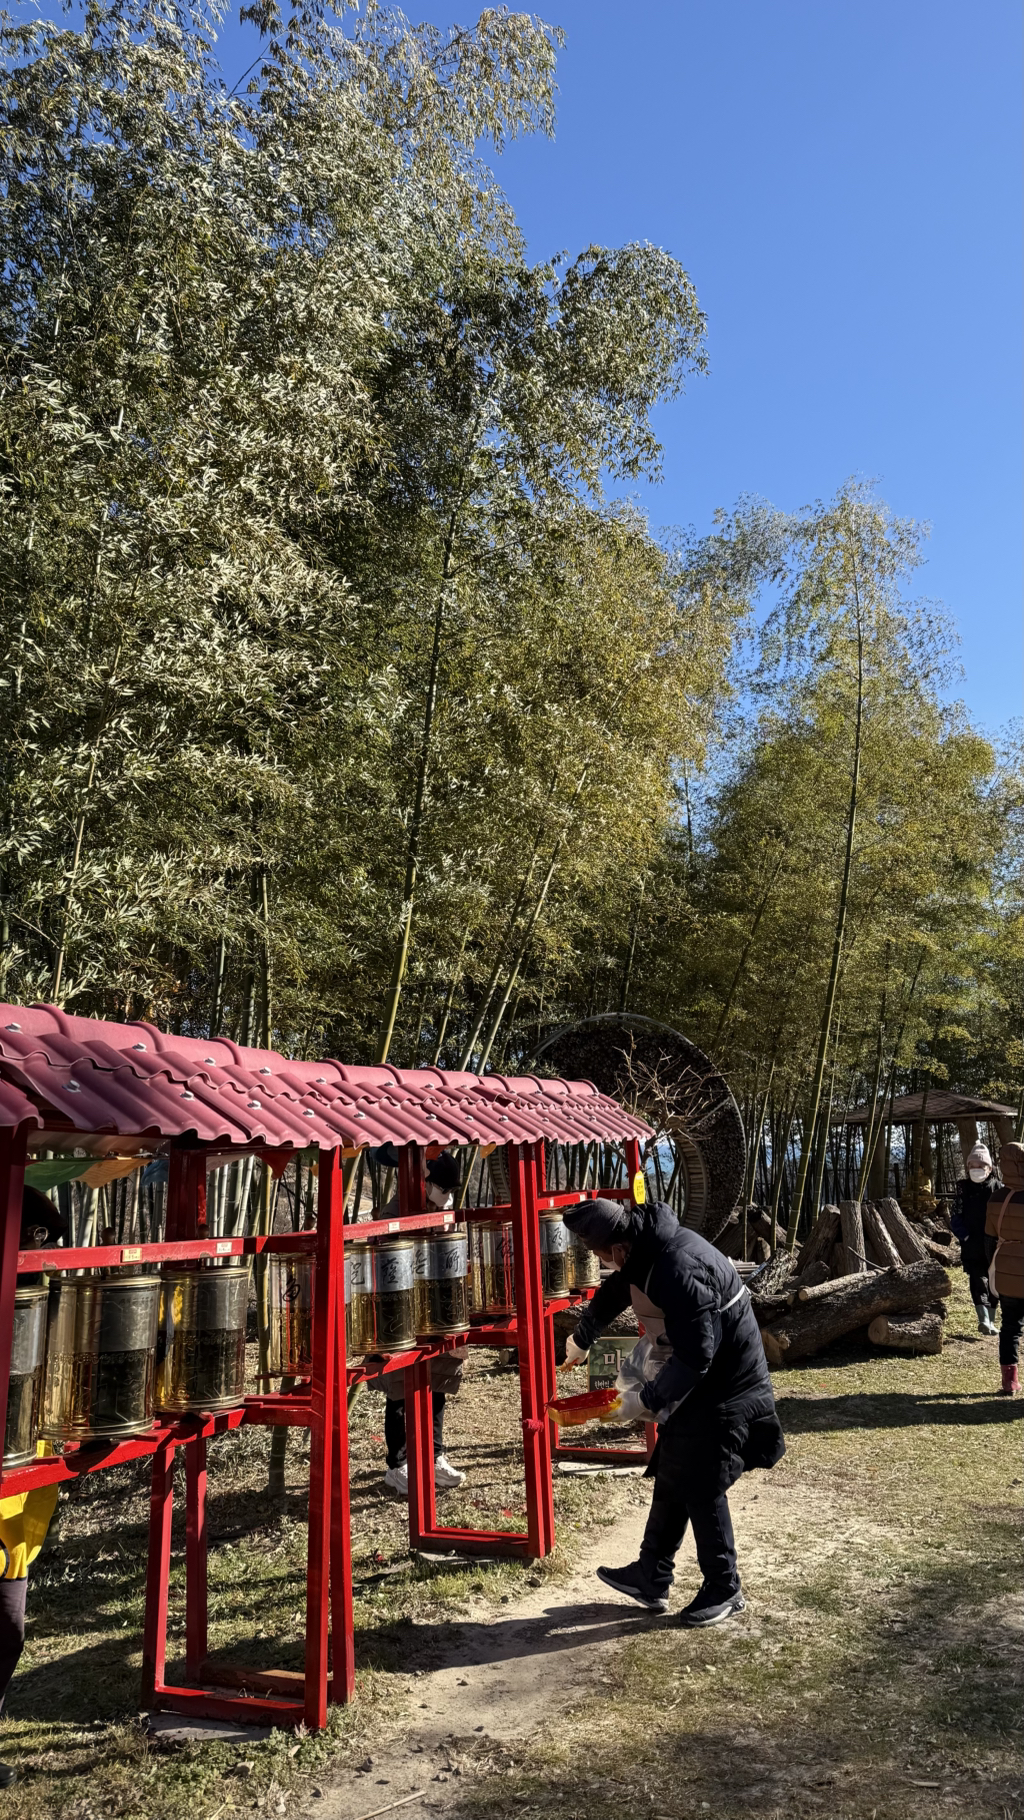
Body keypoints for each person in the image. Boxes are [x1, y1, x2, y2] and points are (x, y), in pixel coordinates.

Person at [562, 1195, 785, 1627]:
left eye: (600, 1255)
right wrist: (584, 1337)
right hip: (701, 1373)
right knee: (674, 1463)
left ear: (617, 1248)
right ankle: (652, 1574)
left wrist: (646, 1399)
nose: (604, 1263)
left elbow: (697, 1354)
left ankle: (725, 1587)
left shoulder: (677, 1267)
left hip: (728, 1381)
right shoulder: (643, 1248)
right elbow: (617, 1290)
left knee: (701, 1476)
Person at [0, 1186, 66, 1786]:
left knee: (8, 1628)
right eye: (30, 1237)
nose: (35, 1249)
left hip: (21, 1504)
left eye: (41, 1240)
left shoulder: (43, 1301)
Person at [367, 1146, 467, 1495]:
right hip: (398, 1316)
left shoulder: (441, 1213)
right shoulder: (392, 1213)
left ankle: (434, 1455)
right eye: (444, 1188)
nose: (447, 1196)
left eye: (451, 1190)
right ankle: (398, 1465)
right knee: (399, 1391)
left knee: (437, 1382)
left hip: (433, 1314)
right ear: (424, 1181)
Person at [985, 1140, 1024, 1396]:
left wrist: (994, 1267)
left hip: (1007, 1273)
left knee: (1010, 1326)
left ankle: (1009, 1382)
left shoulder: (997, 1198)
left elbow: (989, 1240)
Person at [951, 1143, 1000, 1336]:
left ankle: (992, 1319)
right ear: (968, 1167)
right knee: (978, 1280)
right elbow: (955, 1217)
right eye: (973, 1165)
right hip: (972, 1244)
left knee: (994, 1281)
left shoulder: (998, 1188)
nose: (977, 1169)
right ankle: (983, 1319)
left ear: (989, 1168)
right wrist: (965, 1236)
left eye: (981, 1166)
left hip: (995, 1243)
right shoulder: (963, 1189)